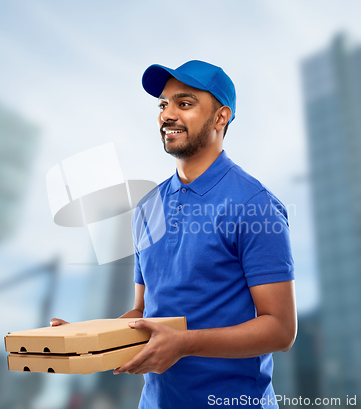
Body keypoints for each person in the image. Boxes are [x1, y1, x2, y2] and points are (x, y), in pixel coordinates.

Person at [52, 60, 296, 408]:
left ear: (220, 117)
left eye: (184, 104)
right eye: (163, 104)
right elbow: (142, 313)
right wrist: (84, 340)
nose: (167, 115)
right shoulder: (147, 207)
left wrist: (183, 343)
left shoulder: (254, 204)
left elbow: (281, 330)